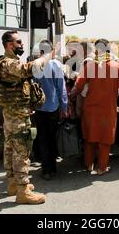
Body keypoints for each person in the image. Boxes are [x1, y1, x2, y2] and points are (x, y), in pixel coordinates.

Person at [0, 30, 56, 204]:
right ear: (9, 44)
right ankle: (22, 191)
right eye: (18, 42)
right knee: (21, 150)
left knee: (11, 148)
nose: (21, 45)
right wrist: (47, 57)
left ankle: (14, 184)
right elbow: (30, 68)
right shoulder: (7, 63)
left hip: (13, 113)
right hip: (17, 115)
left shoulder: (7, 62)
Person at [70, 39, 119, 175]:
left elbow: (78, 85)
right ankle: (101, 168)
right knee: (105, 138)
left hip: (90, 108)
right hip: (107, 109)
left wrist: (69, 98)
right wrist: (116, 84)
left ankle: (88, 165)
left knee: (89, 137)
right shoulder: (117, 66)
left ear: (97, 50)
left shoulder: (90, 66)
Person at [33, 40, 68, 181]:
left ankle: (46, 169)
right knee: (52, 138)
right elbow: (62, 88)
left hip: (39, 108)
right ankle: (52, 168)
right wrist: (64, 107)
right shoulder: (56, 65)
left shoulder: (36, 65)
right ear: (52, 50)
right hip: (53, 108)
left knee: (42, 138)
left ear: (41, 51)